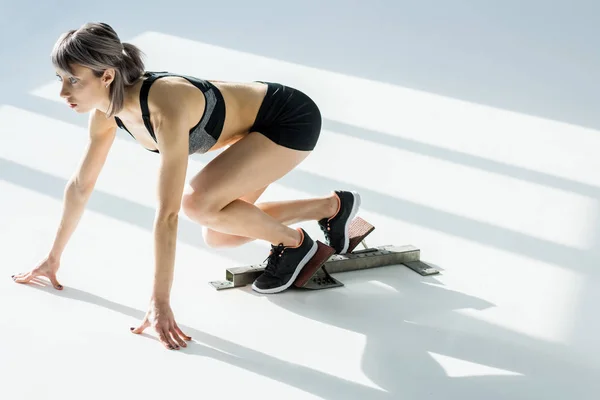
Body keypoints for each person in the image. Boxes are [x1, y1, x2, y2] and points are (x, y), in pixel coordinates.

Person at [11, 22, 361, 350]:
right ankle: (332, 207)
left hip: (289, 119)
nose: (61, 91)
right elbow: (80, 186)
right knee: (220, 234)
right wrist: (52, 257)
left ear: (106, 76)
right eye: (59, 78)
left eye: (73, 80)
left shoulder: (164, 104)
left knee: (198, 205)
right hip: (255, 129)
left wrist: (159, 302)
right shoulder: (105, 112)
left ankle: (299, 246)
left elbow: (168, 214)